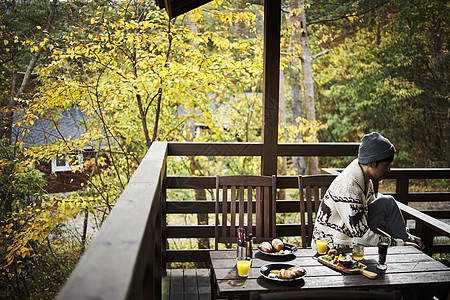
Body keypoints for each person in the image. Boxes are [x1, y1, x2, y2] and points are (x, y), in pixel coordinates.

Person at [312, 132, 423, 250]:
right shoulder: (348, 187)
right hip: (331, 246)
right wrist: (398, 243)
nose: (389, 169)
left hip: (352, 234)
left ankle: (408, 244)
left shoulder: (365, 180)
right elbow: (362, 237)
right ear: (371, 163)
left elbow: (376, 220)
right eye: (386, 165)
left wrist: (406, 237)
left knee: (387, 202)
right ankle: (407, 250)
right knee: (398, 241)